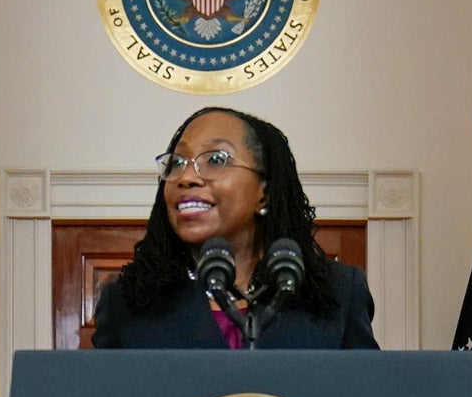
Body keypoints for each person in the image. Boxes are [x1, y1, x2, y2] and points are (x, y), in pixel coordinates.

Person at [88, 107, 379, 349]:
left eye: (216, 159)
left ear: (264, 192)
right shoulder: (127, 302)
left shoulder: (338, 293)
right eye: (176, 163)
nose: (186, 176)